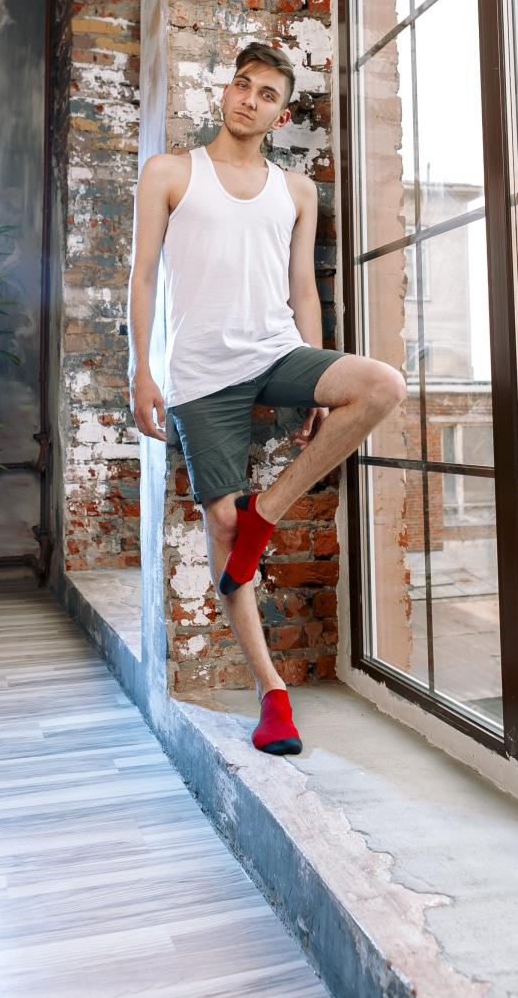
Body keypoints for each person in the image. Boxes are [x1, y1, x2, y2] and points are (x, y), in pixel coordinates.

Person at [127, 42, 406, 756]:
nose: (248, 99)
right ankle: (272, 692)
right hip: (199, 374)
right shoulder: (170, 173)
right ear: (228, 91)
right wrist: (141, 371)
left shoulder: (297, 191)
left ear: (280, 115)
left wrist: (317, 387)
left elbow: (304, 288)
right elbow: (143, 276)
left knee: (382, 384)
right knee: (223, 525)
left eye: (266, 94)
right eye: (241, 85)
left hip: (279, 352)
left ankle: (269, 512)